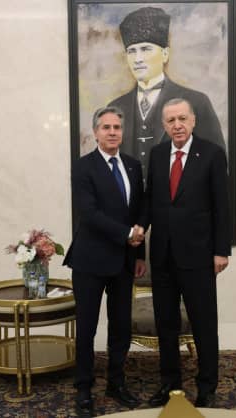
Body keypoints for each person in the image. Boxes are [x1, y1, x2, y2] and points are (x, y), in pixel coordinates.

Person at [139, 98, 231, 408]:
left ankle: (207, 387)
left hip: (199, 256)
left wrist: (221, 251)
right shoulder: (157, 154)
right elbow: (150, 199)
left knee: (204, 324)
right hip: (163, 256)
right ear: (164, 125)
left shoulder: (212, 154)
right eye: (171, 121)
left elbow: (222, 207)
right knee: (166, 325)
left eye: (182, 119)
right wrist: (139, 228)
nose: (177, 125)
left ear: (193, 121)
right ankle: (170, 385)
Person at [64, 106, 146, 417]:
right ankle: (84, 388)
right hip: (90, 261)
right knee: (86, 328)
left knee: (121, 326)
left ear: (122, 132)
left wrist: (139, 252)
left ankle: (116, 383)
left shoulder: (133, 166)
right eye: (106, 127)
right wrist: (127, 233)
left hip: (124, 262)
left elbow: (138, 209)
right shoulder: (83, 167)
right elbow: (89, 214)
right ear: (96, 132)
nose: (112, 132)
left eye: (117, 127)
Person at [109, 6, 225, 180]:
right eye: (131, 51)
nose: (137, 59)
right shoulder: (115, 107)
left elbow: (218, 163)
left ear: (165, 54)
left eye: (145, 49)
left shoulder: (197, 102)